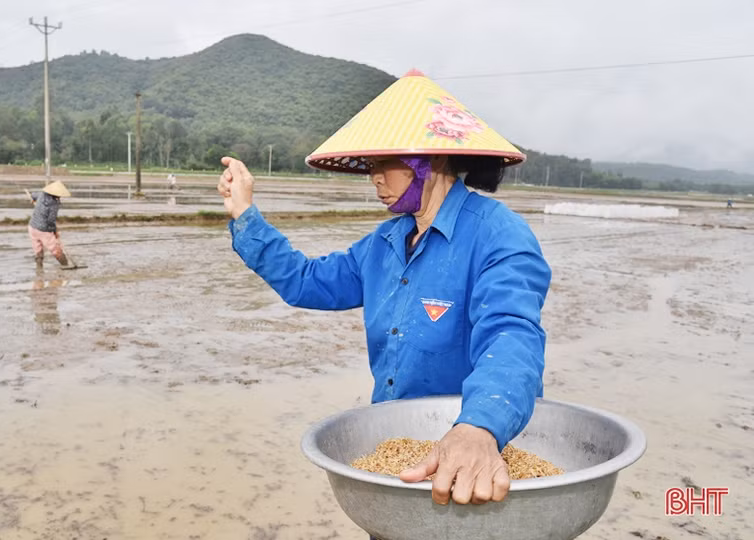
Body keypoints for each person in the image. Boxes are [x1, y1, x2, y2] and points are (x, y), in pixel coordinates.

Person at [217, 70, 551, 507]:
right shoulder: (384, 243)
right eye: (370, 166)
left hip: (472, 457)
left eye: (384, 164)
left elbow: (512, 335)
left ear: (427, 162)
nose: (374, 178)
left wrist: (480, 427)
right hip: (397, 457)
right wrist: (245, 215)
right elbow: (306, 282)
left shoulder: (498, 235)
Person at [28, 180, 78, 269]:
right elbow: (51, 220)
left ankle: (39, 269)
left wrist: (33, 199)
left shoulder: (42, 194)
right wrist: (54, 231)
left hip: (32, 227)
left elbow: (33, 195)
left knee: (38, 249)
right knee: (56, 249)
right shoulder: (54, 204)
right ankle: (65, 265)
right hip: (43, 230)